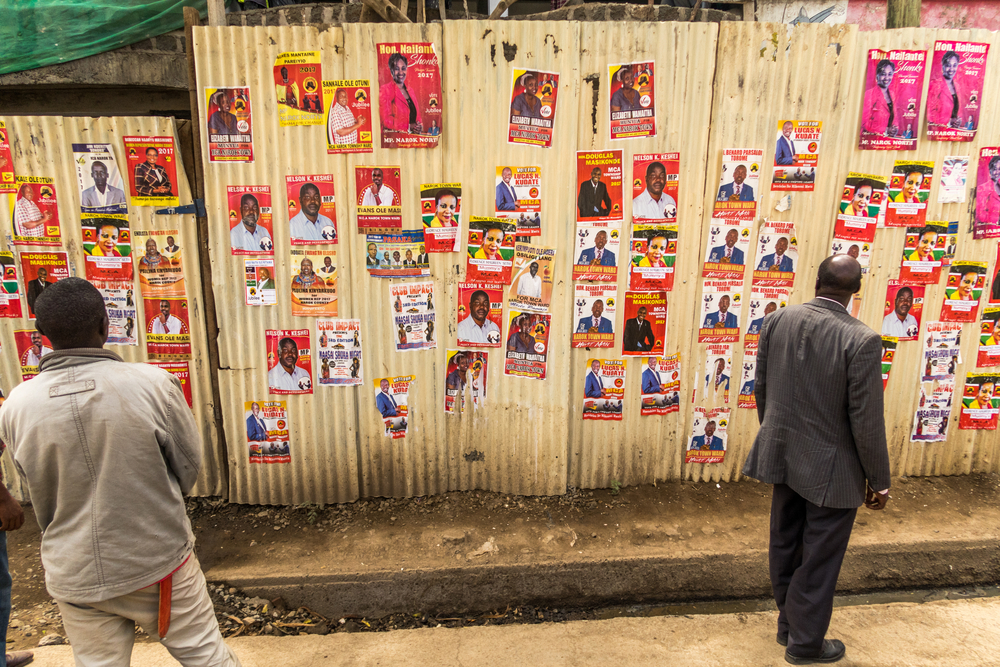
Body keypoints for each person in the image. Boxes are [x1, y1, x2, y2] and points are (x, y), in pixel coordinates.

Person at [0, 278, 240, 667]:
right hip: (157, 564)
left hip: (74, 576)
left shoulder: (16, 406)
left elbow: (31, 480)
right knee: (207, 657)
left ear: (41, 336)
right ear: (104, 325)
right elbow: (187, 467)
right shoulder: (152, 385)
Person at [742, 254, 890, 665]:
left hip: (784, 454)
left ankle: (788, 627)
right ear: (855, 291)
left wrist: (776, 437)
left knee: (785, 542)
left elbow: (763, 388)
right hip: (833, 471)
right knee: (819, 558)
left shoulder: (777, 320)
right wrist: (879, 480)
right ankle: (805, 645)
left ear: (817, 280)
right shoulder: (861, 339)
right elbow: (866, 420)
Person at [380, 53, 422, 134]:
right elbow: (385, 120)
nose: (400, 72)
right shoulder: (385, 89)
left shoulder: (410, 90)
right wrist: (408, 126)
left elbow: (418, 116)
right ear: (391, 70)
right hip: (395, 139)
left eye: (403, 68)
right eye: (396, 68)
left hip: (413, 138)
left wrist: (419, 126)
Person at [927, 51, 966, 130]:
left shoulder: (957, 86)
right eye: (948, 65)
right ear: (943, 66)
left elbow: (959, 111)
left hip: (953, 132)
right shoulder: (935, 85)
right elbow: (930, 113)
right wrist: (948, 122)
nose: (951, 69)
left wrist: (958, 121)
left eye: (954, 65)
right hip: (939, 131)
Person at [862, 59, 898, 137]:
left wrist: (894, 129)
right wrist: (885, 129)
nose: (887, 78)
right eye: (883, 74)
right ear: (877, 75)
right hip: (872, 139)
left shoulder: (892, 94)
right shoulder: (869, 94)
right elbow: (864, 123)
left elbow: (895, 120)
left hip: (887, 141)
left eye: (890, 74)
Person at [976, 156, 1000, 225]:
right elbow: (980, 216)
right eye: (995, 169)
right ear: (990, 170)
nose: (997, 172)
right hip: (990, 229)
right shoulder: (982, 189)